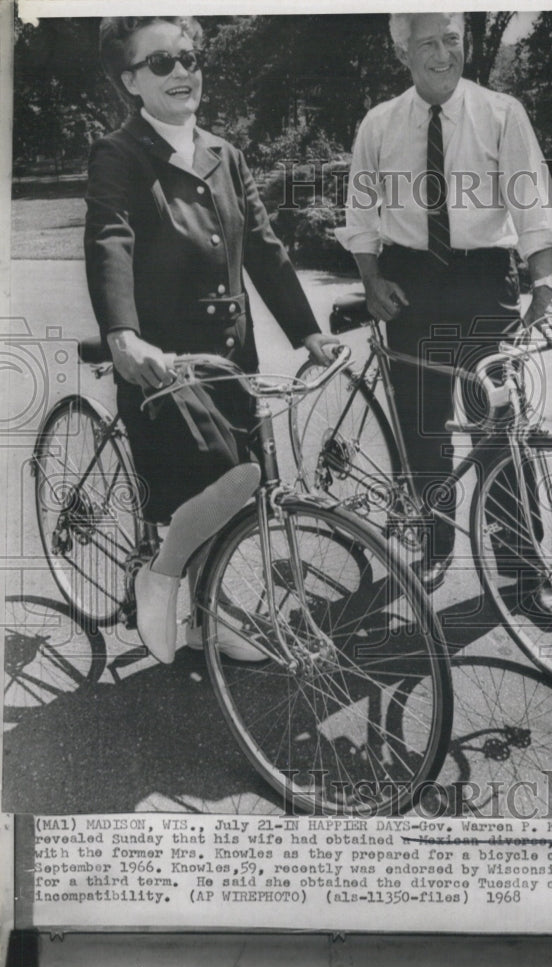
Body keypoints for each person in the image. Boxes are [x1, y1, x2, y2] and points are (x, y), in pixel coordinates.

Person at [85, 16, 338, 663]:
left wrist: (308, 331)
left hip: (230, 357)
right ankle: (160, 576)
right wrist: (122, 335)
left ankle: (202, 618)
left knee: (234, 496)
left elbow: (264, 249)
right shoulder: (119, 153)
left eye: (189, 58)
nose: (182, 72)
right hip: (163, 363)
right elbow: (110, 238)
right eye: (162, 62)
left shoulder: (225, 153)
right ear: (130, 81)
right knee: (224, 480)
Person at [336, 11, 552, 626]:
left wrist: (542, 275)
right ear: (403, 52)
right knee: (423, 429)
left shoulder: (501, 113)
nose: (443, 55)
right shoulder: (379, 124)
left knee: (499, 427)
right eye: (427, 44)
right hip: (408, 286)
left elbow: (531, 198)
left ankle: (524, 572)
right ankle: (436, 542)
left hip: (481, 283)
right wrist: (372, 280)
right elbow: (361, 209)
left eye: (452, 41)